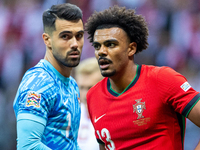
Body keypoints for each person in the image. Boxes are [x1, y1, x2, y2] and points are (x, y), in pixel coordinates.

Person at [84, 5, 200, 150]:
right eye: (97, 46)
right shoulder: (93, 96)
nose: (101, 52)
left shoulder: (162, 79)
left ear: (131, 48)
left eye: (110, 44)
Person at [13, 3, 84, 149]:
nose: (75, 44)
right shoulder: (38, 84)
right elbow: (28, 146)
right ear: (47, 40)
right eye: (66, 36)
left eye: (79, 36)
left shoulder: (72, 84)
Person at [75, 57, 103, 150]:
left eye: (90, 88)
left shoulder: (114, 119)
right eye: (81, 87)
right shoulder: (70, 115)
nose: (84, 95)